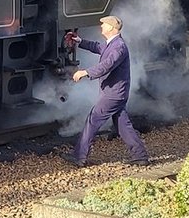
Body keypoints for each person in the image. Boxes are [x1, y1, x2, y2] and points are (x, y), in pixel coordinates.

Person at [61, 15, 150, 167]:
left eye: (104, 25)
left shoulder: (119, 47)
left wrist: (85, 72)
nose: (101, 26)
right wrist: (79, 41)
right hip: (116, 93)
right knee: (123, 125)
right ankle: (140, 156)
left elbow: (106, 65)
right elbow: (97, 47)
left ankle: (79, 156)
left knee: (92, 121)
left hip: (113, 94)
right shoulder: (112, 44)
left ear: (111, 28)